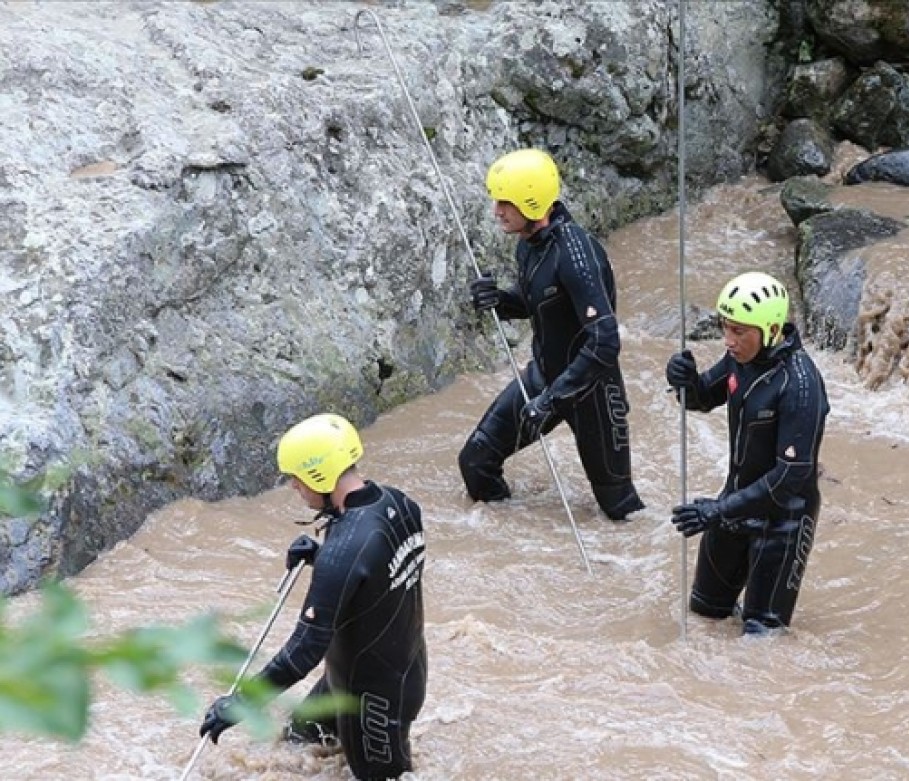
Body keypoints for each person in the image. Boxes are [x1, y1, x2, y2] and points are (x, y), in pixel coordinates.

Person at [200, 413, 427, 781]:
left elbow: (303, 651)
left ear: (318, 474)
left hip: (370, 703)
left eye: (296, 477)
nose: (293, 486)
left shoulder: (344, 552)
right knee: (297, 740)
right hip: (391, 671)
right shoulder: (401, 505)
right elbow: (376, 576)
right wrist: (321, 555)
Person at [458, 148, 644, 521]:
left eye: (504, 202)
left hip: (592, 394)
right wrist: (501, 301)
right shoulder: (530, 245)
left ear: (530, 202)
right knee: (476, 462)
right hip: (544, 377)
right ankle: (512, 540)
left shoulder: (577, 256)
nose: (497, 211)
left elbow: (605, 340)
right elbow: (538, 303)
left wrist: (554, 397)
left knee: (620, 511)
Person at [665, 272, 829, 636]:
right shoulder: (739, 360)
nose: (729, 340)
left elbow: (790, 478)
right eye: (726, 328)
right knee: (705, 614)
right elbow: (701, 398)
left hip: (783, 522)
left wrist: (717, 511)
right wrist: (684, 379)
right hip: (735, 504)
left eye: (740, 331)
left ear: (770, 330)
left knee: (761, 640)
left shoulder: (800, 386)